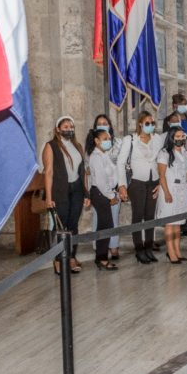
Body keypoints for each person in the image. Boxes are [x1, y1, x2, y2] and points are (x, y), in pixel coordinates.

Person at [43, 116, 89, 274]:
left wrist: (86, 194)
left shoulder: (77, 146)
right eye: (66, 127)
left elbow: (83, 172)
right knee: (60, 227)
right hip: (59, 190)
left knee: (73, 226)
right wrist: (49, 198)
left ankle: (71, 257)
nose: (69, 129)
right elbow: (48, 172)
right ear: (58, 129)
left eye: (71, 127)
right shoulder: (51, 146)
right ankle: (58, 261)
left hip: (76, 189)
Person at [117, 112, 164, 264]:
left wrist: (160, 182)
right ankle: (139, 250)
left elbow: (161, 160)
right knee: (138, 215)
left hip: (153, 180)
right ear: (140, 124)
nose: (150, 126)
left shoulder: (157, 139)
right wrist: (122, 185)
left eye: (152, 123)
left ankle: (149, 248)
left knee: (150, 216)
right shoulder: (130, 139)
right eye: (147, 123)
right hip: (136, 182)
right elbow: (120, 162)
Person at [85, 114, 122, 260]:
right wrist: (111, 196)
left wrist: (117, 189)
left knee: (108, 223)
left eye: (109, 139)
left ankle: (104, 255)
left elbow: (114, 172)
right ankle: (101, 257)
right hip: (102, 194)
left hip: (109, 192)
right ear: (96, 140)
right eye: (105, 139)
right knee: (103, 225)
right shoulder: (95, 156)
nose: (108, 141)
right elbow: (100, 181)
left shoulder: (104, 154)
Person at [156, 128, 187, 264]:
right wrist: (166, 192)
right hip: (169, 188)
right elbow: (162, 175)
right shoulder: (164, 153)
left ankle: (177, 251)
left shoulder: (185, 152)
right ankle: (171, 252)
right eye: (177, 136)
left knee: (178, 223)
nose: (180, 139)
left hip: (182, 188)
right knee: (170, 223)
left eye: (182, 136)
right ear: (171, 137)